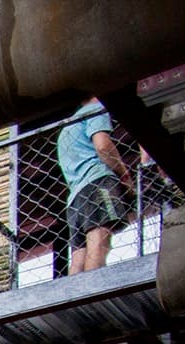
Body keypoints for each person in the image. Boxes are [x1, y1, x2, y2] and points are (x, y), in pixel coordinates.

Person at [56, 100, 130, 275]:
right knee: (100, 239)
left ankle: (76, 296)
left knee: (79, 255)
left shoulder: (65, 130)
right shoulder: (95, 108)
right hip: (97, 181)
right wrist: (124, 174)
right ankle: (94, 284)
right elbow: (102, 145)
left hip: (74, 197)